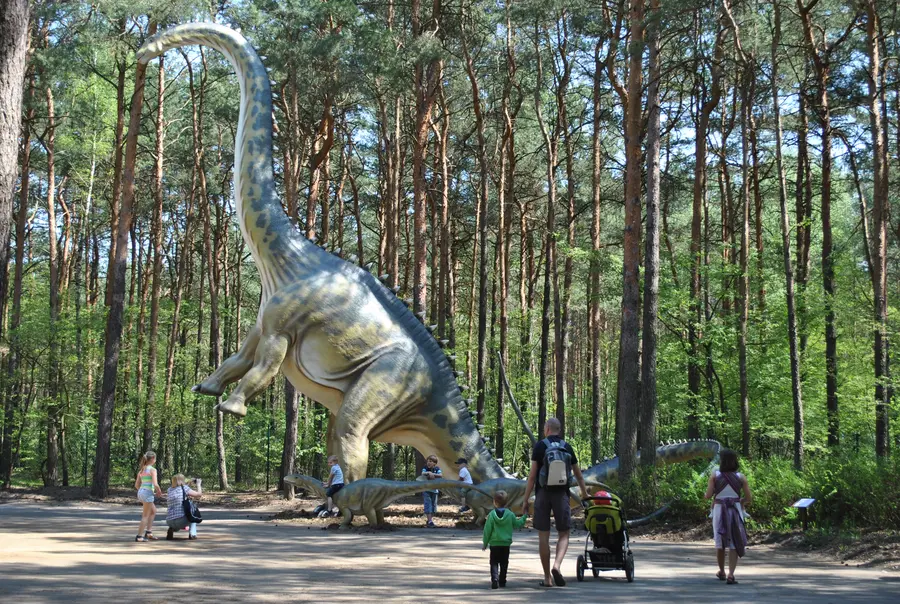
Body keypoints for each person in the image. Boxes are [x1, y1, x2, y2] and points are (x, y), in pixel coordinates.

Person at [521, 418, 588, 588]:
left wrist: (525, 500)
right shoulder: (567, 447)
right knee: (564, 533)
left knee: (543, 536)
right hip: (562, 495)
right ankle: (557, 566)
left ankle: (547, 578)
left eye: (544, 427)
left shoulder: (540, 446)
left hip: (543, 493)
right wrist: (585, 493)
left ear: (548, 428)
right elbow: (579, 475)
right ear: (559, 429)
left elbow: (531, 477)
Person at [704, 448, 752, 584]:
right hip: (735, 509)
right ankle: (731, 574)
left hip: (719, 509)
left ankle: (722, 571)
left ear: (722, 461)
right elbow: (749, 498)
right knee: (734, 542)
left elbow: (708, 496)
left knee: (720, 542)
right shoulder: (741, 477)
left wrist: (708, 495)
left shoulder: (715, 475)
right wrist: (741, 501)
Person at [482, 490, 528, 589]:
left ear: (494, 502)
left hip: (494, 544)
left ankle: (494, 579)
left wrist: (485, 543)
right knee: (504, 562)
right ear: (507, 502)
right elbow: (518, 524)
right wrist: (524, 516)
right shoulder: (510, 514)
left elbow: (487, 530)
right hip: (505, 544)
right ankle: (502, 580)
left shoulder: (491, 515)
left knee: (494, 562)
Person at [133, 451, 163, 542]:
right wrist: (159, 491)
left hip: (141, 492)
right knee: (145, 515)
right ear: (153, 459)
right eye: (155, 458)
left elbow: (136, 485)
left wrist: (143, 491)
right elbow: (155, 484)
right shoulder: (152, 470)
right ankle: (139, 536)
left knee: (153, 511)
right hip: (147, 493)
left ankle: (149, 532)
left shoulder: (141, 470)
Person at [166, 474, 202, 540]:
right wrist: (198, 484)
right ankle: (192, 534)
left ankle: (172, 528)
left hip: (169, 521)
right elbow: (198, 495)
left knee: (176, 521)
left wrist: (189, 483)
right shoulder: (185, 488)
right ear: (182, 481)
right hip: (181, 521)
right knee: (193, 513)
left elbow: (180, 489)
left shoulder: (169, 490)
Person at [421, 455, 442, 527]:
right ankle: (430, 521)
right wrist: (428, 473)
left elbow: (440, 475)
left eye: (430, 461)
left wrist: (433, 474)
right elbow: (422, 474)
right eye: (428, 461)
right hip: (426, 490)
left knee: (433, 507)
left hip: (435, 491)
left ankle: (429, 520)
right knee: (428, 505)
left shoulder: (437, 468)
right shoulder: (425, 468)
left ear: (434, 463)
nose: (428, 463)